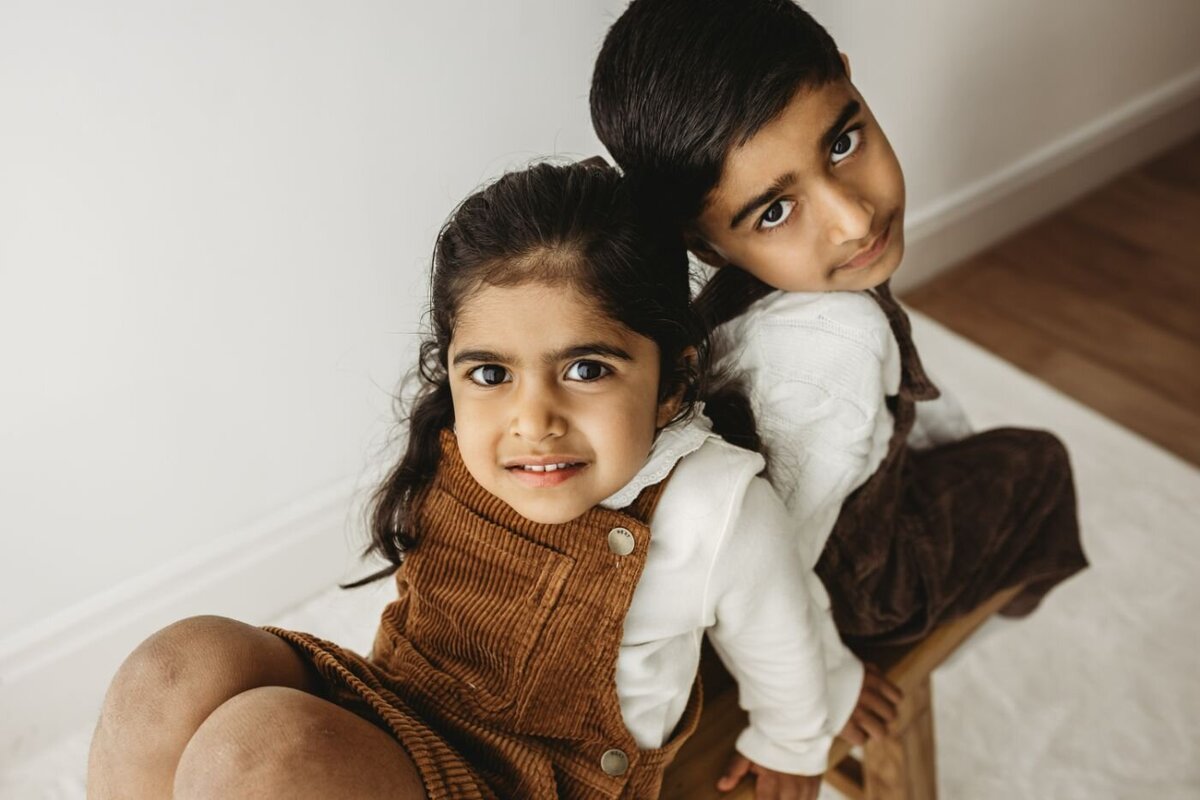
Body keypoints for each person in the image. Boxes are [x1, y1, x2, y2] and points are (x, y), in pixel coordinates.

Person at [87, 160, 889, 800]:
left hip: (536, 780)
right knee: (174, 667)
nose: (532, 418)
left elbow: (781, 636)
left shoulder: (715, 504)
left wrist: (792, 738)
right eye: (492, 374)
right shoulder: (459, 445)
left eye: (585, 368)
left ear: (672, 382)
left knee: (251, 757)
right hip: (405, 708)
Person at [590, 0, 1088, 649]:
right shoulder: (839, 342)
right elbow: (775, 557)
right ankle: (973, 612)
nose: (853, 220)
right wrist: (820, 685)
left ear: (851, 83)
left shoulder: (745, 296)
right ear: (702, 244)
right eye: (774, 211)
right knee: (1039, 464)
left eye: (842, 143)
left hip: (815, 519)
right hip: (853, 598)